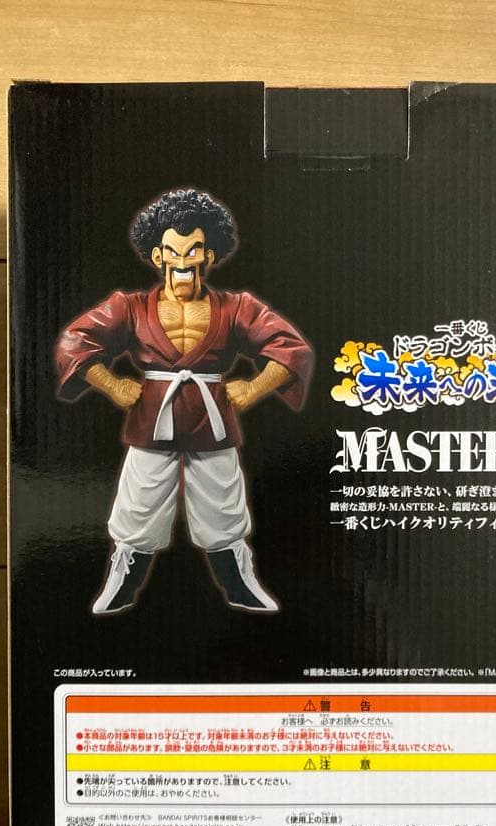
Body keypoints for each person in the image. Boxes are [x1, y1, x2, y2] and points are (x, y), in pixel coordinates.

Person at [55, 187, 314, 614]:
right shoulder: (130, 307)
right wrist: (112, 384)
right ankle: (124, 577)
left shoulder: (235, 307)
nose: (183, 261)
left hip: (212, 415)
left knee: (222, 499)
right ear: (157, 256)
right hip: (152, 414)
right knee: (140, 498)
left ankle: (239, 580)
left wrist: (253, 388)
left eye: (193, 250)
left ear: (209, 255)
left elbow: (291, 348)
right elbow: (75, 341)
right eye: (173, 252)